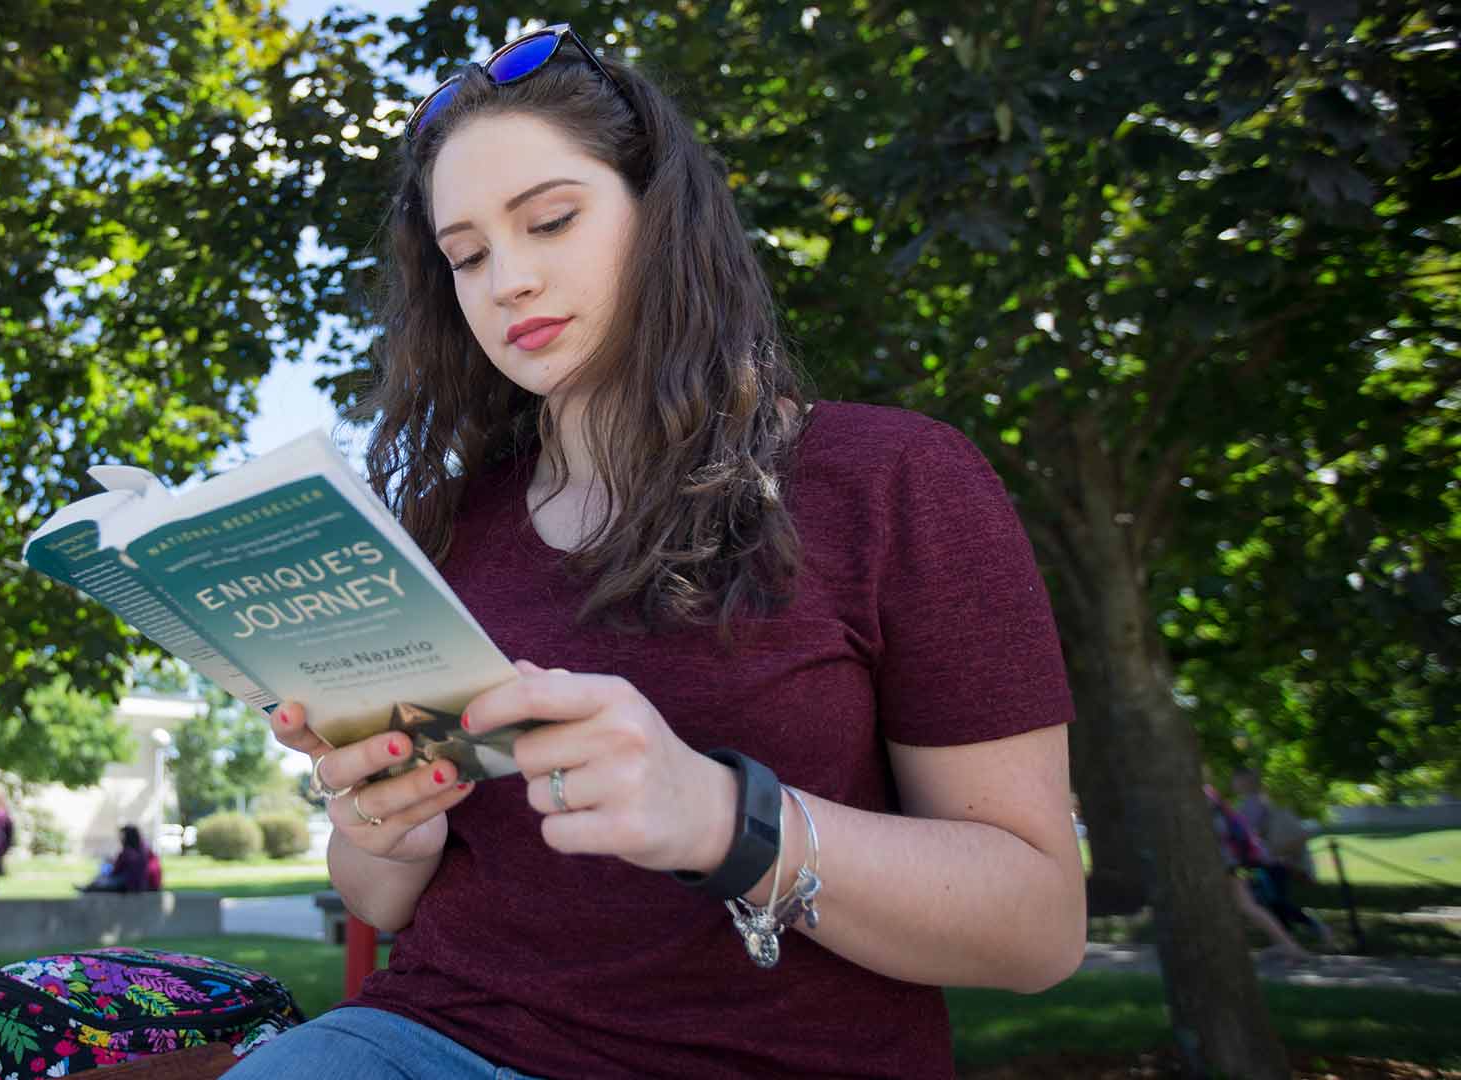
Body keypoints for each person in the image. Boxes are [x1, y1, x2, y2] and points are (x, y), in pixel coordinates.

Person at [229, 26, 1085, 1079]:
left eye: (550, 219)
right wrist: (380, 831)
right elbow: (380, 898)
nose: (510, 280)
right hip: (426, 1037)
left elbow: (1037, 928)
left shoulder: (895, 480)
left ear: (660, 216)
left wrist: (721, 818)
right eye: (468, 255)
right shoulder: (450, 521)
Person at [1232, 767, 1338, 949]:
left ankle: (1316, 928)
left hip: (1273, 864)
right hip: (1264, 863)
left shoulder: (1259, 805)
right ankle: (1288, 942)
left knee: (1275, 901)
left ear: (1247, 781)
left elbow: (1256, 834)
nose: (1233, 783)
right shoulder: (1249, 805)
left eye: (1237, 779)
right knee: (1270, 902)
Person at [1206, 784, 1309, 962]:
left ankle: (1290, 947)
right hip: (1231, 864)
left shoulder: (1200, 797)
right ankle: (1290, 947)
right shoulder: (1213, 797)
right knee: (1248, 907)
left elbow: (1218, 835)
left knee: (1247, 907)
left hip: (1222, 865)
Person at [78, 825, 152, 893]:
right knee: (101, 877)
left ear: (127, 837)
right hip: (140, 885)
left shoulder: (126, 852)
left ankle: (86, 888)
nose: (120, 839)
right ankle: (87, 887)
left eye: (122, 836)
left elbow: (116, 871)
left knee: (99, 879)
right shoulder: (142, 851)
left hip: (126, 885)